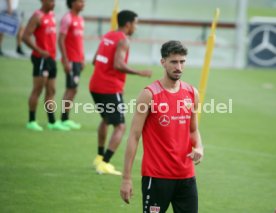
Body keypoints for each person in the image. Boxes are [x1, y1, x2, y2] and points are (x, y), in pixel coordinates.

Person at [120, 40, 204, 213]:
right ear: (163, 62)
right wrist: (126, 178)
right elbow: (134, 136)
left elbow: (193, 130)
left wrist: (200, 147)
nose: (178, 67)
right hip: (157, 177)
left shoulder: (191, 93)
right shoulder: (149, 94)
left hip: (186, 176)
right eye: (174, 62)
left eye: (182, 62)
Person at [89, 10, 152, 175]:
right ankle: (105, 163)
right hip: (110, 88)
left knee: (105, 120)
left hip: (95, 85)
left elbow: (95, 60)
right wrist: (140, 72)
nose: (136, 27)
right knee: (120, 126)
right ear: (128, 23)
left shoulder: (108, 35)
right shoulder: (123, 40)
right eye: (135, 24)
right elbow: (118, 64)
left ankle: (99, 156)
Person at [23, 0, 69, 131]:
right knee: (38, 89)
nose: (53, 3)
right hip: (41, 58)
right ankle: (31, 120)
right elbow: (25, 36)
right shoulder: (37, 16)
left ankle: (52, 121)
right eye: (51, 1)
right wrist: (39, 50)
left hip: (51, 58)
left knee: (51, 90)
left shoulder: (52, 15)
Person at [58, 0, 85, 130]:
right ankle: (63, 120)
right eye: (80, 1)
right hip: (71, 60)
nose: (83, 4)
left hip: (77, 60)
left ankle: (65, 119)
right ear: (73, 3)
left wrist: (82, 58)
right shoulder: (67, 18)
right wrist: (65, 59)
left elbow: (79, 41)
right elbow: (61, 40)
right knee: (71, 88)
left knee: (73, 89)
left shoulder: (80, 19)